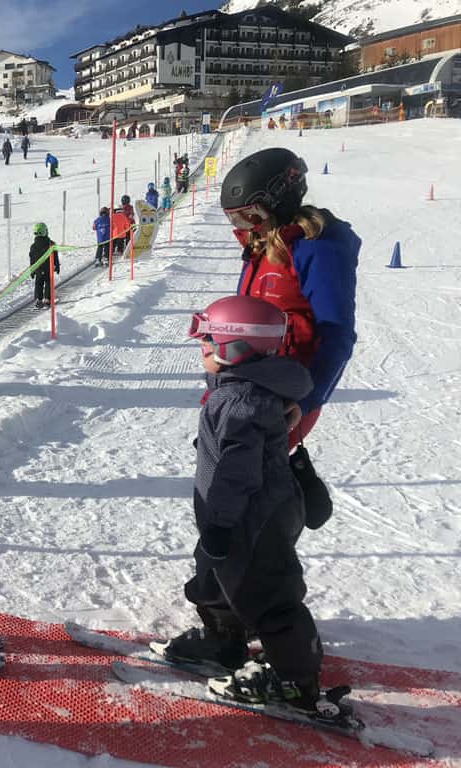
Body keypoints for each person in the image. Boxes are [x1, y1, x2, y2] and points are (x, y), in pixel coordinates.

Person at [157, 295, 341, 721]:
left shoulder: (239, 401)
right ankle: (223, 640)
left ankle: (295, 681)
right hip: (247, 511)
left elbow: (234, 473)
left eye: (207, 342)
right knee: (216, 572)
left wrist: (219, 524)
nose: (200, 350)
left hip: (249, 515)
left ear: (233, 350)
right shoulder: (245, 391)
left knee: (268, 591)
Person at [220, 148, 359, 518]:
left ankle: (260, 570)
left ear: (280, 199)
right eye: (235, 219)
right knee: (233, 484)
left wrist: (308, 399)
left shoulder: (318, 249)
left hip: (289, 394)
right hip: (249, 388)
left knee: (252, 497)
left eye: (251, 215)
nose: (245, 226)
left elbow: (338, 334)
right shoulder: (262, 247)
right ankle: (224, 570)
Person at [29, 222, 58, 308]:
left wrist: (32, 270)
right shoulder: (51, 243)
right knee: (49, 283)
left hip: (38, 268)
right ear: (45, 231)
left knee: (38, 283)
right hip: (48, 268)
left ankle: (39, 300)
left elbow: (32, 259)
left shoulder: (33, 246)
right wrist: (56, 265)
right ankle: (47, 299)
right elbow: (55, 256)